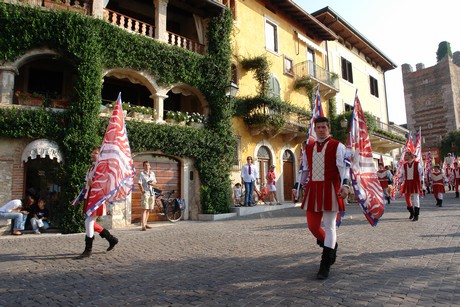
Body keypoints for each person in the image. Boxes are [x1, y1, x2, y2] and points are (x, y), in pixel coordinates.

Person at [300, 117, 350, 280]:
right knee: (312, 226)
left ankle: (325, 264)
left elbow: (344, 168)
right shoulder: (309, 148)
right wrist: (297, 187)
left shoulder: (338, 146)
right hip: (313, 190)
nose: (321, 130)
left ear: (329, 128)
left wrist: (345, 185)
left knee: (330, 227)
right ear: (315, 129)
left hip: (331, 189)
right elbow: (305, 170)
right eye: (318, 127)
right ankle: (332, 246)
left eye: (323, 127)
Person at [76, 147, 118, 259]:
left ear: (100, 155)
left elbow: (105, 184)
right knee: (91, 223)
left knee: (88, 221)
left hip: (97, 198)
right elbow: (86, 186)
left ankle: (88, 250)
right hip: (89, 196)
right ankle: (111, 239)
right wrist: (78, 198)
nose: (92, 154)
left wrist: (94, 183)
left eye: (95, 153)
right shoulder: (91, 168)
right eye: (92, 152)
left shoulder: (101, 168)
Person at [400, 151, 423, 221]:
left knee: (416, 198)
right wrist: (400, 182)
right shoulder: (404, 165)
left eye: (406, 155)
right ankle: (411, 212)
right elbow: (402, 175)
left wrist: (422, 182)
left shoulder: (417, 164)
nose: (405, 157)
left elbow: (421, 174)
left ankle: (416, 215)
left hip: (415, 182)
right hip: (407, 182)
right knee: (407, 197)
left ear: (410, 156)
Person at [138, 160, 157, 231]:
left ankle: (146, 223)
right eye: (145, 165)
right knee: (144, 209)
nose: (147, 166)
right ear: (143, 166)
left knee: (149, 209)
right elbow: (139, 183)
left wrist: (152, 183)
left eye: (148, 165)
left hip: (152, 193)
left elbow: (155, 182)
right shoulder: (141, 174)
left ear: (150, 166)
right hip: (146, 193)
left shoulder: (152, 173)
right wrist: (143, 191)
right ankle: (143, 226)